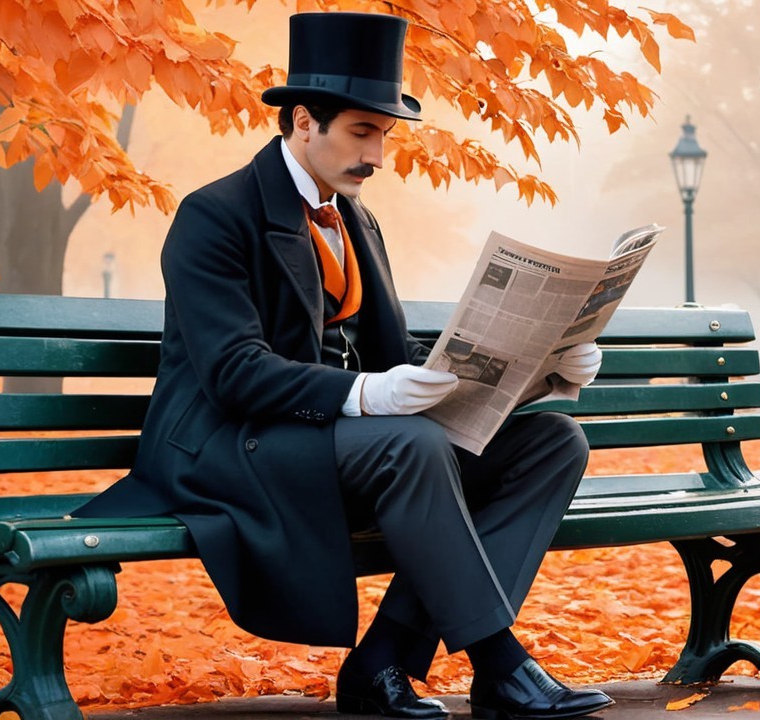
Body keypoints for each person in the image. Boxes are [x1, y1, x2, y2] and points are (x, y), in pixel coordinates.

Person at [76, 11, 613, 720]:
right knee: (411, 443)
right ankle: (499, 664)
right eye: (363, 132)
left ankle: (384, 658)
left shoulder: (357, 219)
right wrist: (368, 393)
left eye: (383, 136)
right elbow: (234, 374)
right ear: (303, 121)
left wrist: (544, 370)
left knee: (551, 443)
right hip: (232, 445)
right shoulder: (214, 216)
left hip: (347, 446)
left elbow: (397, 361)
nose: (378, 156)